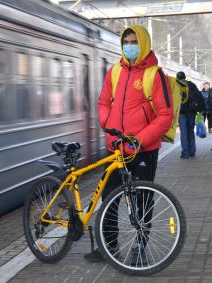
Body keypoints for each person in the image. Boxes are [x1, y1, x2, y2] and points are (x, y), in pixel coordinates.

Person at [86, 25, 173, 262]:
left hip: (143, 150)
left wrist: (140, 139)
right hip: (116, 149)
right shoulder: (115, 72)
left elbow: (165, 115)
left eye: (134, 41)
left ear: (143, 43)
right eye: (126, 42)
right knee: (109, 199)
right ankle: (108, 247)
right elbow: (103, 100)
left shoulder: (155, 75)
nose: (130, 46)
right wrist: (106, 122)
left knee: (142, 201)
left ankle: (140, 248)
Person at [176, 71, 201, 158]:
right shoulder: (191, 85)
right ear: (185, 77)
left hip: (181, 111)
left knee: (183, 132)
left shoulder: (176, 85)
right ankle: (192, 151)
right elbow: (198, 95)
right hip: (191, 111)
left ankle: (185, 153)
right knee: (190, 131)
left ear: (177, 77)